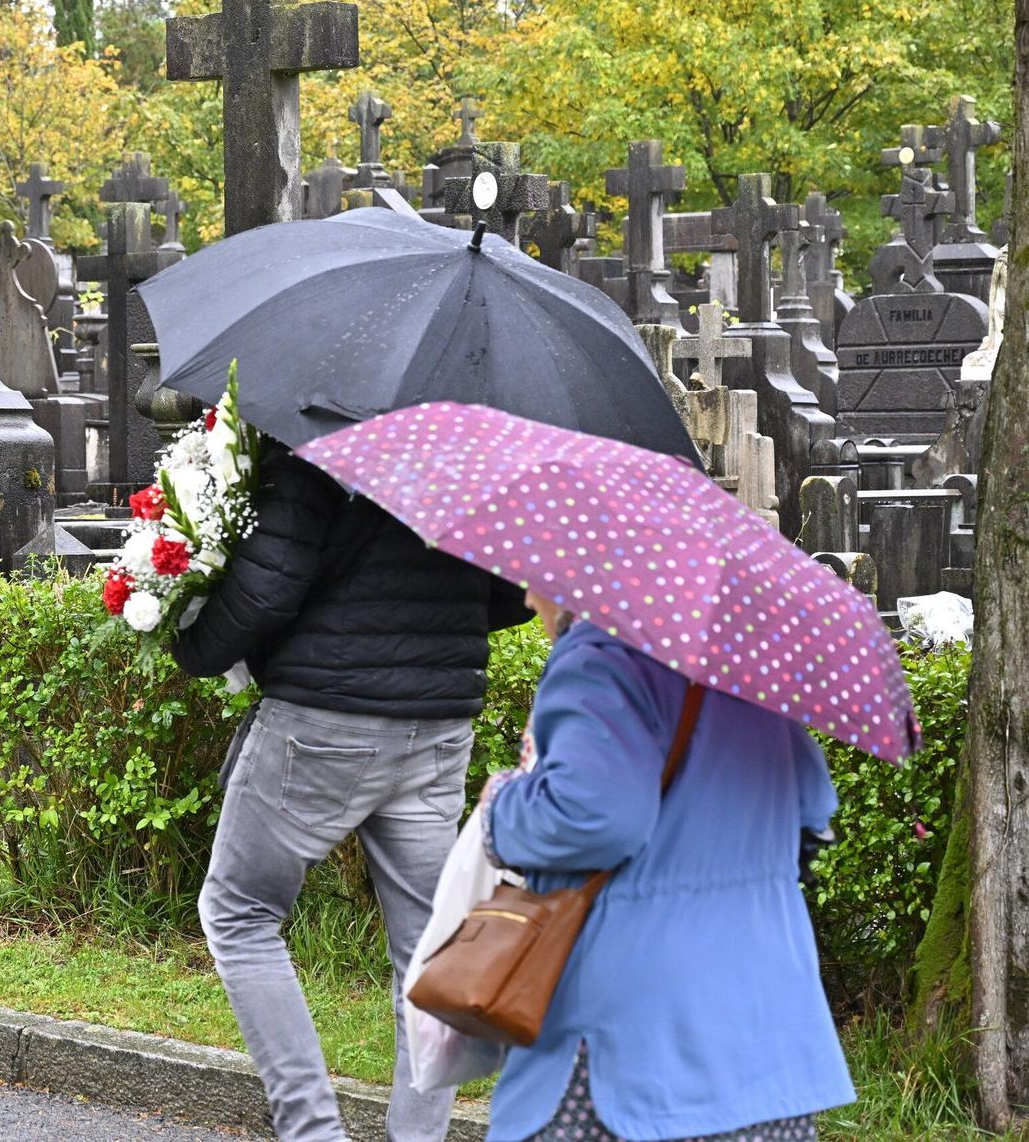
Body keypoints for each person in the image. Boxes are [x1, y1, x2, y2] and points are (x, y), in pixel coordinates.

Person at [172, 445, 531, 1142]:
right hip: (440, 717)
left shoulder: (322, 427)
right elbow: (515, 587)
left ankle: (313, 1132)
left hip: (326, 717)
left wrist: (192, 647)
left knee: (238, 911)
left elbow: (270, 584)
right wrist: (424, 630)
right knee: (427, 950)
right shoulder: (468, 440)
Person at [479, 591, 855, 1141]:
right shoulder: (744, 659)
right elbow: (814, 808)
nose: (525, 592)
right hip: (766, 1034)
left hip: (633, 1044)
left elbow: (596, 817)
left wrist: (503, 804)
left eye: (527, 576)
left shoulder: (601, 656)